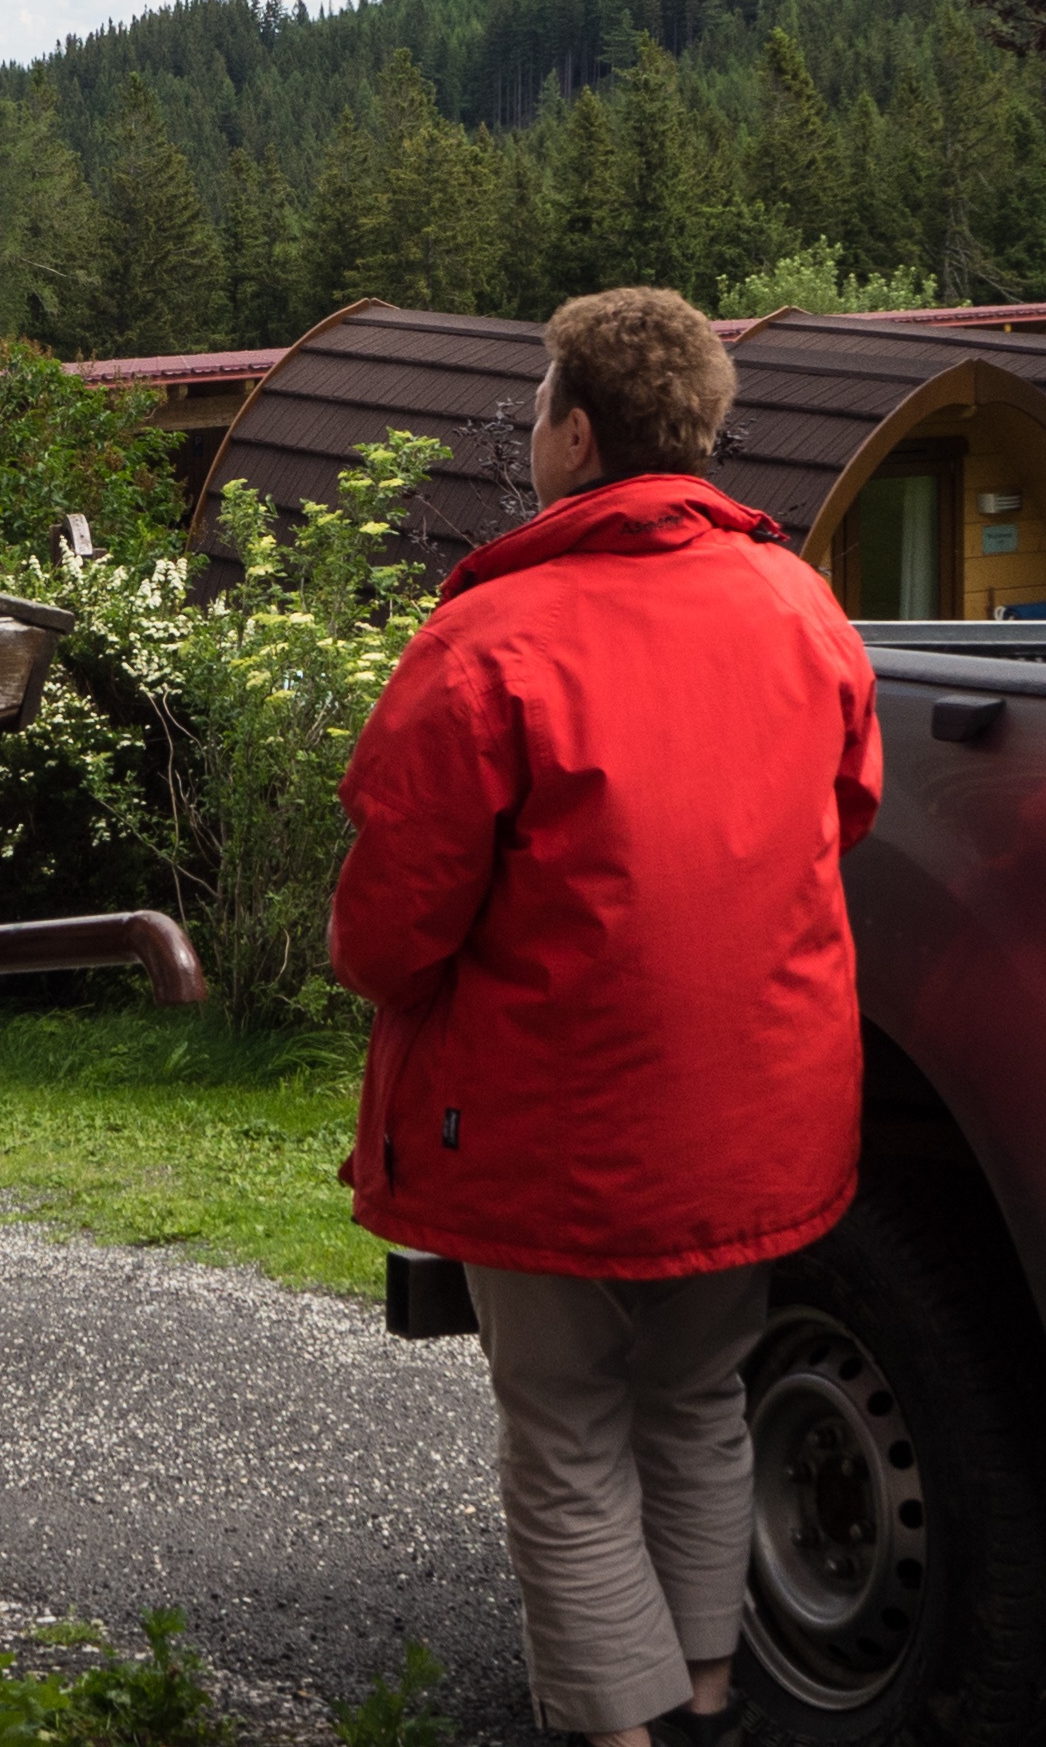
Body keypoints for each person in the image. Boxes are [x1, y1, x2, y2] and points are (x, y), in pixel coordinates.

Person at [328, 288, 881, 1747]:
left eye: (538, 409)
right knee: (699, 1400)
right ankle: (702, 1701)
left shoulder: (491, 640)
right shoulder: (799, 605)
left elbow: (389, 928)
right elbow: (845, 815)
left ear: (575, 434)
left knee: (568, 1433)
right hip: (759, 1111)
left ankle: (619, 1733)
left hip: (552, 1126)